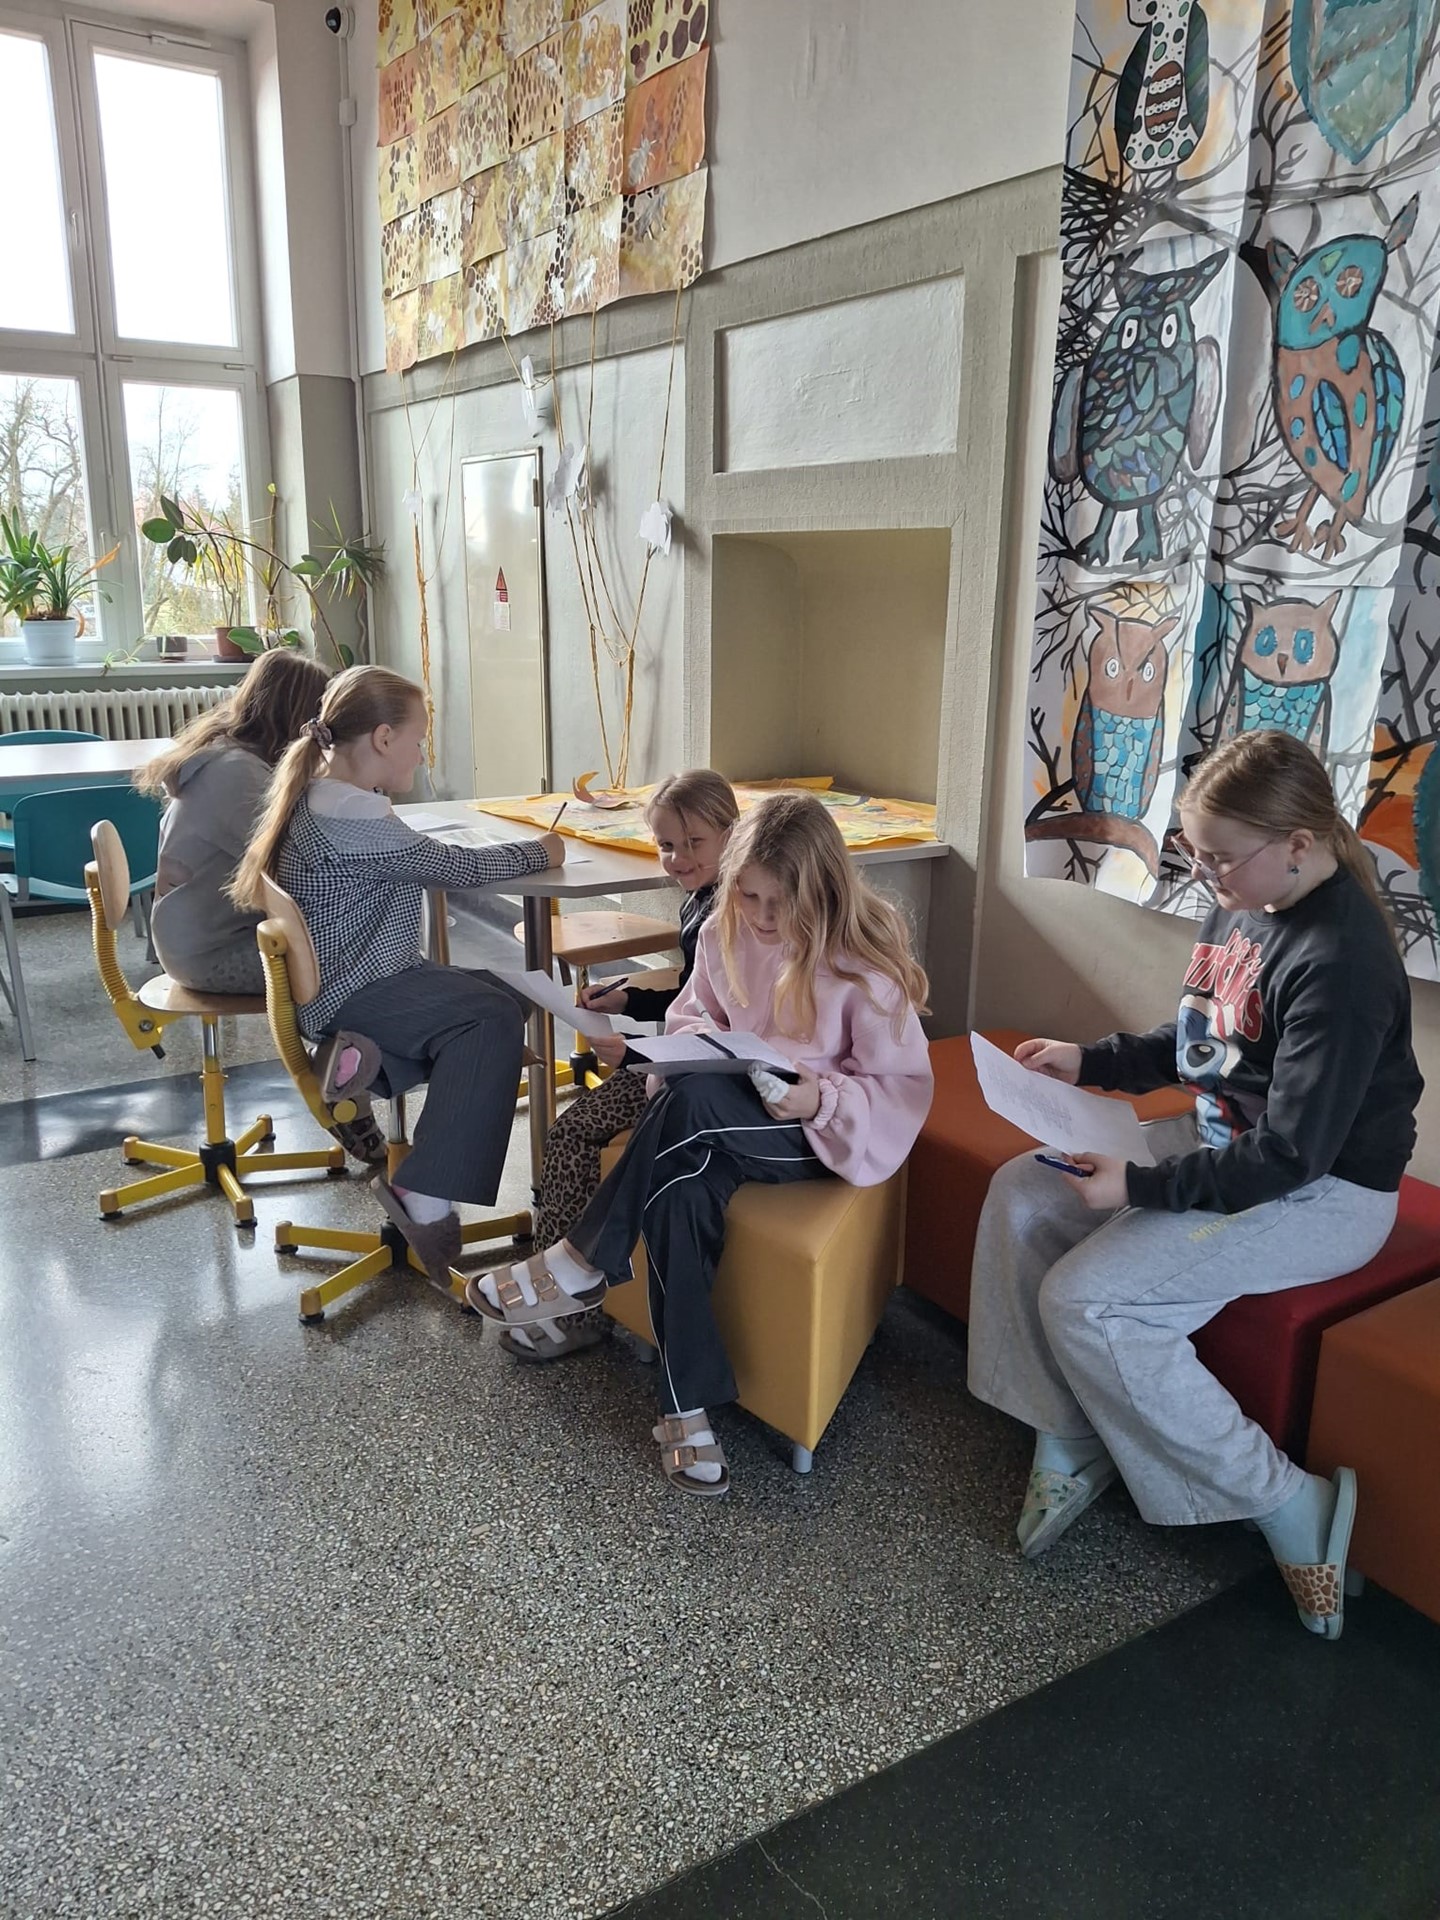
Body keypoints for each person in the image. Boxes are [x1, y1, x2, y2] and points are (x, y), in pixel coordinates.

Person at [967, 729, 1423, 1640]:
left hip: (1320, 1193)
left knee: (1088, 1301)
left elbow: (1290, 1156)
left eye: (1219, 858)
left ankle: (1287, 1500)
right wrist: (1091, 1061)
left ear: (1297, 844)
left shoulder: (1343, 959)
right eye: (1195, 852)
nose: (1205, 874)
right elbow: (1200, 1043)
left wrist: (1140, 1186)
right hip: (1225, 1139)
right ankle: (1073, 1428)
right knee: (1023, 1189)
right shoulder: (1246, 899)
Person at [471, 791, 934, 1496]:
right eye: (749, 896)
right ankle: (683, 1405)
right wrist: (684, 1048)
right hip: (716, 1119)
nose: (762, 917)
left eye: (781, 903)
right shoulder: (725, 926)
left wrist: (820, 1099)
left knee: (689, 1106)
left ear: (823, 890)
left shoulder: (861, 961)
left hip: (814, 1133)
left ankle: (582, 1258)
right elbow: (693, 1017)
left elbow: (900, 1087)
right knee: (678, 1192)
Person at [230, 664, 565, 1289]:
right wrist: (542, 851)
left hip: (349, 981)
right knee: (490, 1018)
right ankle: (424, 1192)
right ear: (383, 738)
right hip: (357, 987)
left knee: (502, 996)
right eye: (419, 738)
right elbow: (456, 869)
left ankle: (364, 1064)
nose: (422, 753)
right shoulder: (353, 816)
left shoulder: (324, 796)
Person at [502, 768, 740, 1364]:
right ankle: (560, 1290)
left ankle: (566, 1311)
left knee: (572, 1132)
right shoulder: (708, 897)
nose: (678, 858)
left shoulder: (734, 912)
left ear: (732, 834)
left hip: (702, 1074)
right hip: (688, 1061)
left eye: (694, 843)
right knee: (575, 1128)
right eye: (667, 845)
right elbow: (695, 995)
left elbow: (726, 1022)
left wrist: (636, 1052)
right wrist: (629, 1000)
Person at [137, 649, 330, 998]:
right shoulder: (239, 775)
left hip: (196, 940)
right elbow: (301, 864)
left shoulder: (227, 753)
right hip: (212, 954)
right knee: (351, 958)